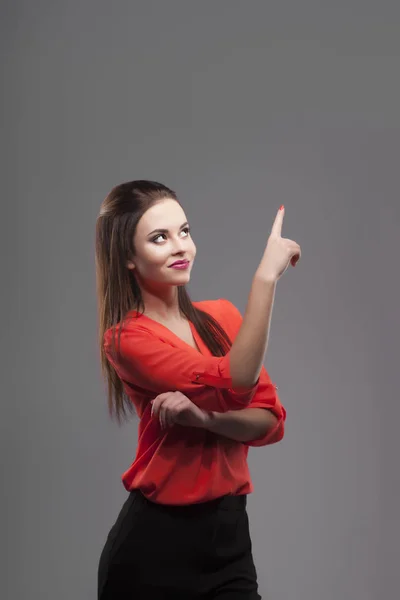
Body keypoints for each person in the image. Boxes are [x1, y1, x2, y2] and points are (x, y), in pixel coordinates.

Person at [95, 179, 301, 600]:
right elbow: (237, 379)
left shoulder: (222, 316)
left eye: (184, 231)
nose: (180, 247)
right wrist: (265, 279)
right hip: (154, 548)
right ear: (128, 259)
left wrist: (204, 419)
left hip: (228, 540)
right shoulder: (125, 339)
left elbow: (269, 423)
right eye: (159, 238)